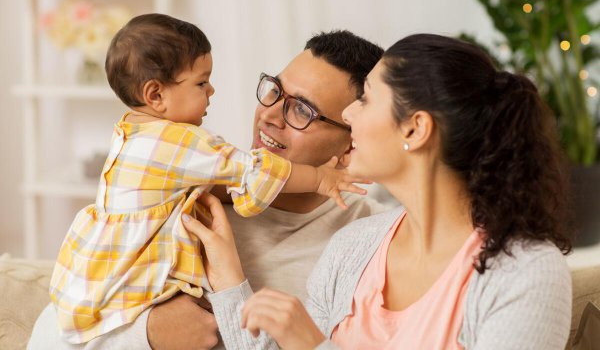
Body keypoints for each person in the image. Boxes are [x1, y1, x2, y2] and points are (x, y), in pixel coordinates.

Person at [182, 33, 574, 349]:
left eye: (366, 100)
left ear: (415, 129)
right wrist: (231, 281)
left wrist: (314, 346)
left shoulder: (526, 271)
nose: (350, 117)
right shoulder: (354, 247)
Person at [28, 30, 386, 349]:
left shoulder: (370, 243)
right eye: (275, 91)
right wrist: (149, 335)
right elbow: (49, 334)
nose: (271, 115)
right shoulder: (186, 194)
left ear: (351, 144)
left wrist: (234, 287)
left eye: (302, 111)